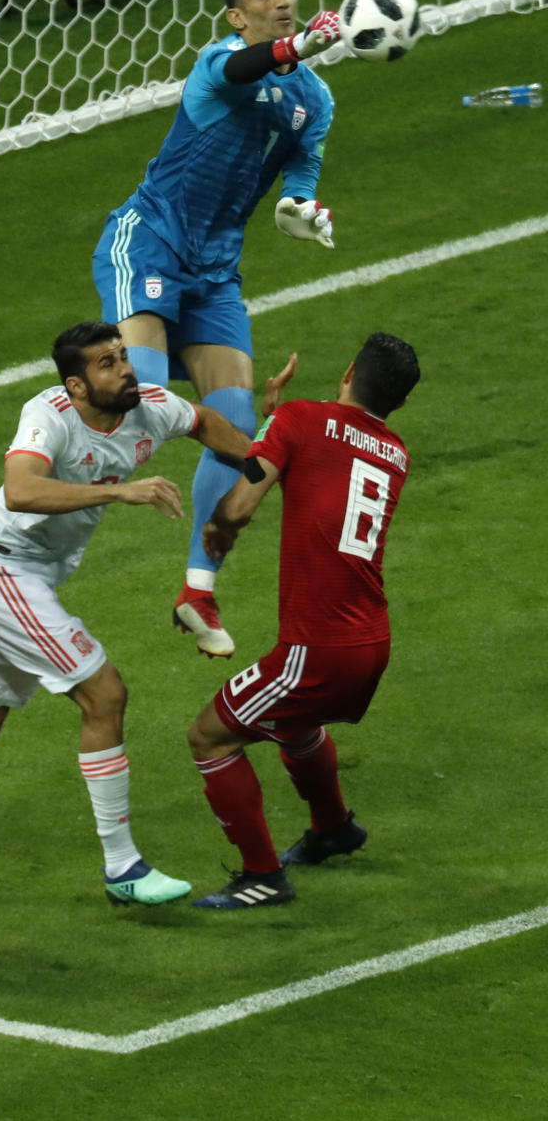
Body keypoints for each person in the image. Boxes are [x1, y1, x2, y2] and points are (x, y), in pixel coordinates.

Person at [0, 322, 293, 906]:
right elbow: (21, 490)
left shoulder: (150, 406)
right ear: (77, 385)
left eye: (123, 356)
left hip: (24, 578)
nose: (126, 370)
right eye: (108, 364)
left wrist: (261, 460)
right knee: (104, 694)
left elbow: (204, 421)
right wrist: (120, 491)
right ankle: (123, 868)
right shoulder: (50, 416)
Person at [93, 0, 340, 660]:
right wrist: (300, 44)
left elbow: (302, 171)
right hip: (149, 243)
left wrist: (302, 209)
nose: (281, 0)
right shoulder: (219, 61)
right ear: (237, 13)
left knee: (236, 428)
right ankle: (50, 472)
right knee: (131, 395)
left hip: (215, 276)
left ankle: (196, 591)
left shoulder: (314, 99)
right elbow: (243, 73)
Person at [186, 333, 421, 910]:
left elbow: (239, 507)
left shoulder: (301, 419)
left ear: (347, 368)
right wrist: (273, 428)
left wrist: (215, 533)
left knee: (209, 736)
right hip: (371, 641)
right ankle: (332, 827)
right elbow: (325, 467)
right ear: (399, 402)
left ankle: (261, 875)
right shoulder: (396, 453)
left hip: (317, 647)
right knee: (296, 723)